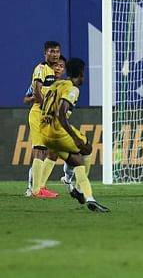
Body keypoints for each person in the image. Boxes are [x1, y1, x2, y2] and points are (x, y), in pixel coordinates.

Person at [39, 57, 109, 212]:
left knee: (77, 160)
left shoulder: (56, 84)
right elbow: (61, 113)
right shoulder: (72, 88)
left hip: (44, 131)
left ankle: (80, 192)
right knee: (86, 147)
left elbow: (45, 105)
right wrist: (74, 136)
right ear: (81, 73)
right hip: (57, 131)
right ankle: (78, 188)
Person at [24, 56, 67, 196]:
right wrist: (36, 99)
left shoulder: (63, 85)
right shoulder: (42, 81)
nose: (58, 68)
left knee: (54, 152)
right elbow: (27, 97)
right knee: (39, 150)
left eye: (61, 66)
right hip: (39, 116)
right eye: (56, 66)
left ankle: (41, 186)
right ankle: (33, 188)